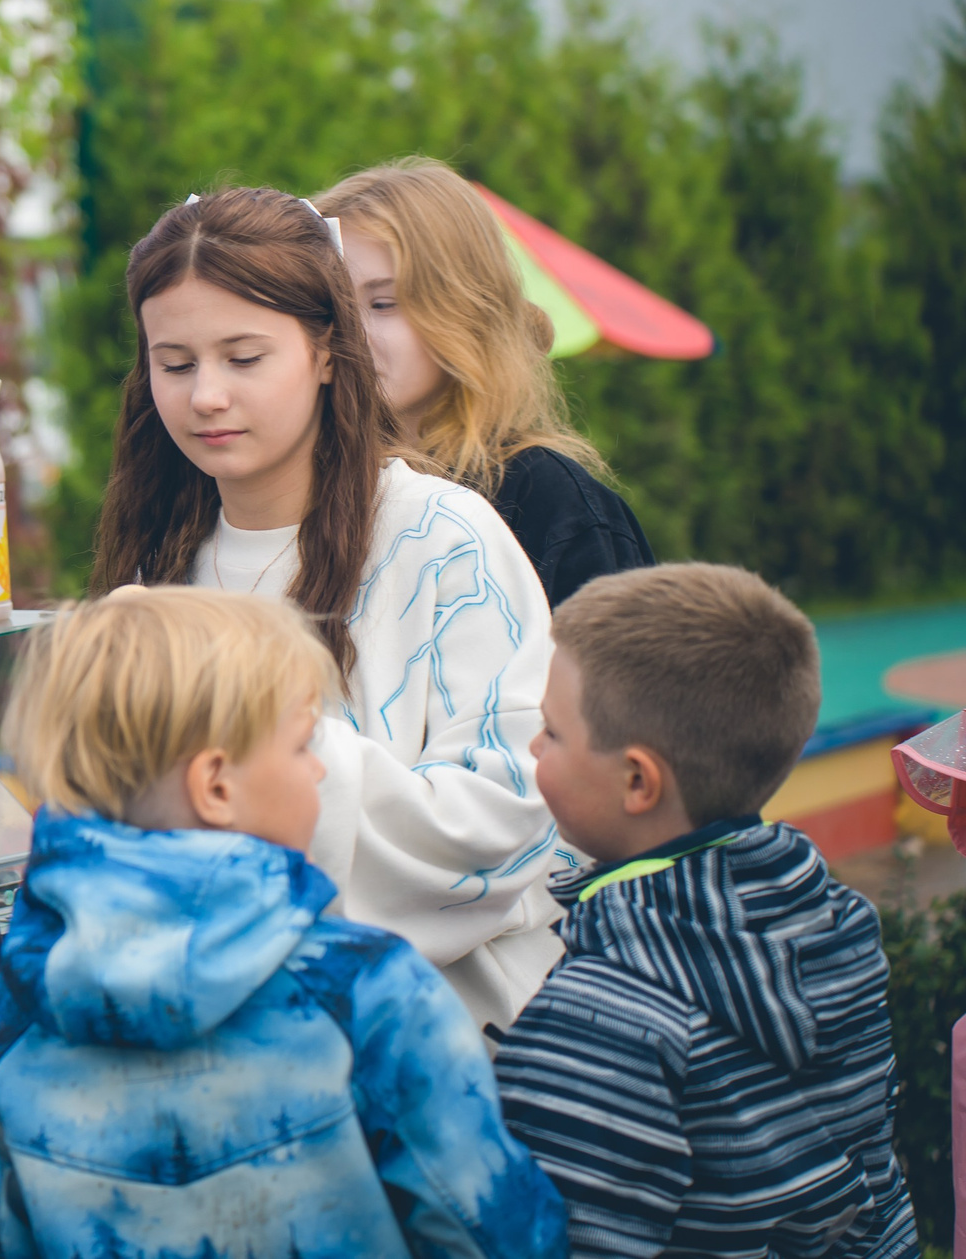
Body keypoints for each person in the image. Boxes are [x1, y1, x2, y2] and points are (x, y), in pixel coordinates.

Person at [0, 585, 565, 1259]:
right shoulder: (365, 992)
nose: (319, 768)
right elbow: (490, 1229)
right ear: (217, 787)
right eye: (300, 746)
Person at [88, 186, 561, 1033]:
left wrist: (253, 731)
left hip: (442, 1059)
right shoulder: (159, 561)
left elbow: (511, 814)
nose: (206, 396)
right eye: (176, 361)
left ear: (328, 353)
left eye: (244, 356)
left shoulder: (441, 538)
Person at [494, 563, 916, 1257]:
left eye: (551, 731)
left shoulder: (597, 1019)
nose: (534, 747)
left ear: (637, 780)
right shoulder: (841, 925)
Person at [316, 157, 652, 607]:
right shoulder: (300, 484)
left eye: (383, 303)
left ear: (465, 309)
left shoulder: (546, 501)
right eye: (331, 305)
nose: (351, 333)